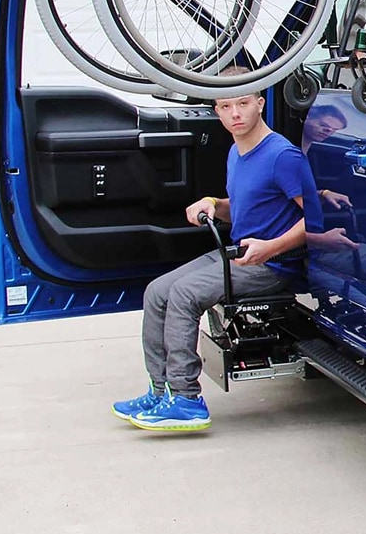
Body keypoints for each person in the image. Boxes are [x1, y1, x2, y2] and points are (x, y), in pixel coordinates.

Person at [112, 89, 321, 433]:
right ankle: (159, 391)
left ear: (260, 104)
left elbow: (316, 217)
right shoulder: (236, 153)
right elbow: (246, 205)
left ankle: (187, 401)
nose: (235, 113)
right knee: (157, 292)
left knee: (184, 295)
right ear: (217, 112)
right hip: (240, 253)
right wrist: (213, 203)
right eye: (226, 107)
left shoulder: (282, 156)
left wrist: (271, 247)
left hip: (273, 265)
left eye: (242, 103)